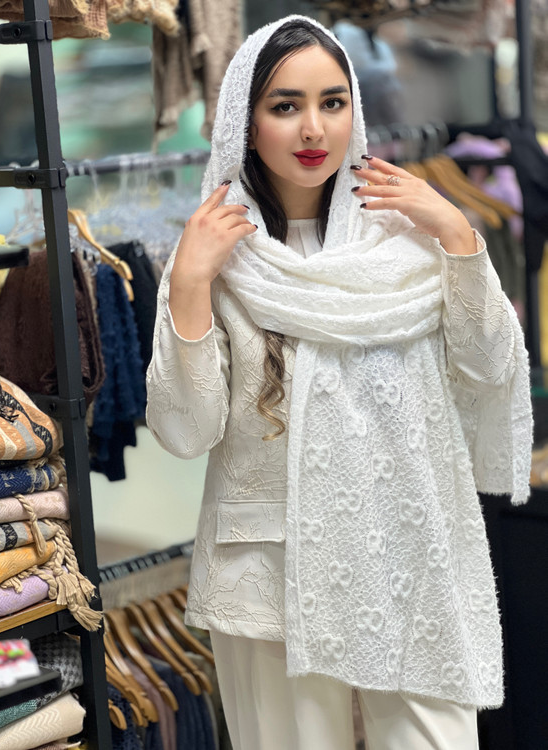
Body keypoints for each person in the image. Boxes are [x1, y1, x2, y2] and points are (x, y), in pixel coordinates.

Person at [146, 15, 532, 750]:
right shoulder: (213, 259)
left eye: (332, 102)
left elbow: (490, 367)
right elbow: (184, 430)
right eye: (284, 105)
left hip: (407, 556)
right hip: (272, 570)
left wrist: (458, 237)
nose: (312, 128)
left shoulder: (411, 239)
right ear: (244, 122)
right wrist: (190, 287)